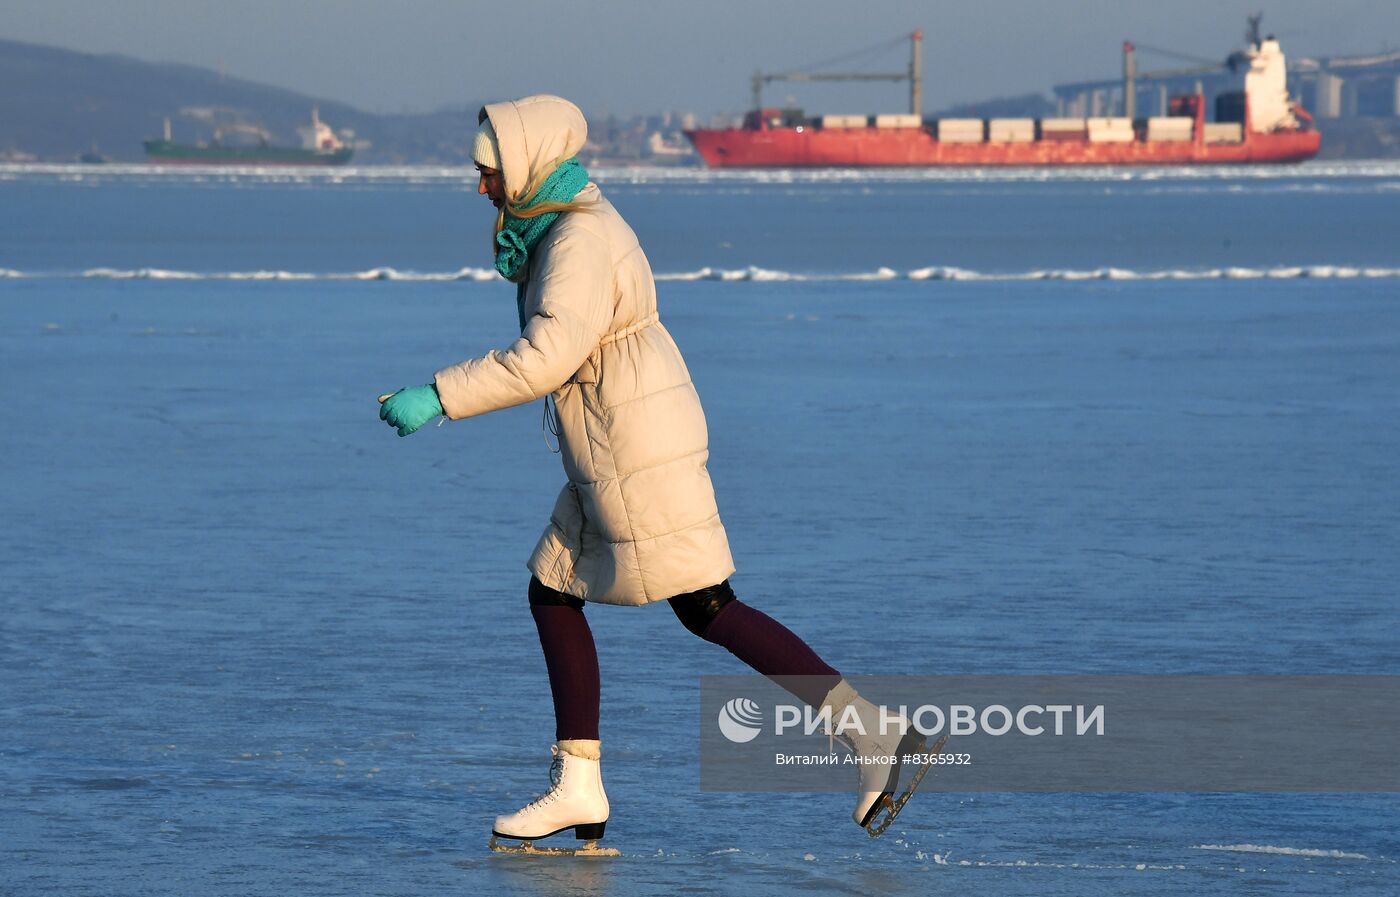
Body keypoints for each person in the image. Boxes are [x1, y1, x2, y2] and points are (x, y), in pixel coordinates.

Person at [378, 95, 925, 849]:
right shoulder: (563, 221)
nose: (481, 187)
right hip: (615, 436)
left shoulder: (577, 239)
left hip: (633, 443)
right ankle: (580, 782)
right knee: (555, 586)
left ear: (528, 163)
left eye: (488, 171)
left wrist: (439, 394)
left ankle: (870, 732)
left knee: (707, 605)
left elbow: (548, 357)